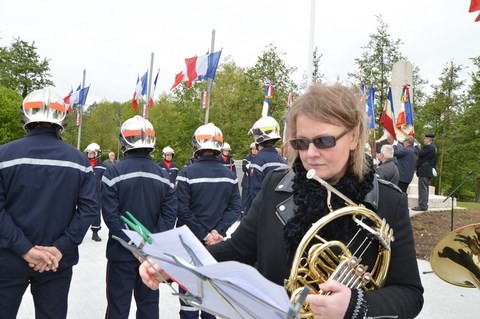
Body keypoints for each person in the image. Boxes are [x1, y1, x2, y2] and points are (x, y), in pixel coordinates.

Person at [139, 83, 424, 319]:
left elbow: (410, 295)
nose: (310, 153)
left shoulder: (387, 201)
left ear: (352, 137)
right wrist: (175, 265)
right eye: (301, 143)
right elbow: (236, 250)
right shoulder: (276, 186)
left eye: (324, 141)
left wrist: (356, 306)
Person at [0, 87, 98, 318]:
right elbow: (89, 209)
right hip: (56, 261)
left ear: (26, 116)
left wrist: (24, 249)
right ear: (61, 118)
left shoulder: (4, 155)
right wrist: (59, 248)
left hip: (9, 259)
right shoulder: (79, 161)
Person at [102, 115, 177, 319]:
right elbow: (169, 216)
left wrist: (134, 245)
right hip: (152, 256)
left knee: (118, 307)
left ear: (124, 141)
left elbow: (111, 216)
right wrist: (148, 246)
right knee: (149, 307)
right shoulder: (164, 176)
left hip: (121, 253)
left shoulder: (112, 173)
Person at [175, 123, 242, 319]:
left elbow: (182, 209)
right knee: (211, 296)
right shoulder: (229, 175)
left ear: (196, 145)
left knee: (188, 295)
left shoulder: (186, 173)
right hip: (217, 245)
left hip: (188, 242)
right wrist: (217, 232)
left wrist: (204, 233)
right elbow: (235, 208)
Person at [244, 116, 288, 215]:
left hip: (261, 214)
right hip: (279, 212)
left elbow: (255, 194)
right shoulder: (282, 161)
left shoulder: (257, 161)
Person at [84, 142, 107, 242]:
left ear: (97, 153)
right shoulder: (84, 164)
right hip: (84, 193)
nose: (89, 155)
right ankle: (80, 233)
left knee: (96, 214)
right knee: (82, 212)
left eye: (91, 153)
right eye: (88, 153)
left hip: (97, 194)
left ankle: (95, 232)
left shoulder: (102, 167)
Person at [412, 133, 437, 211]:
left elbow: (420, 153)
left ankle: (422, 205)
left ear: (429, 139)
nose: (424, 140)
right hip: (427, 170)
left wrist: (416, 146)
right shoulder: (433, 147)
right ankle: (423, 204)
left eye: (425, 139)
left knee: (423, 189)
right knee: (424, 188)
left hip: (424, 170)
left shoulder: (429, 147)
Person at [241, 142, 258, 214]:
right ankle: (242, 214)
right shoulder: (246, 158)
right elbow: (244, 168)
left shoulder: (260, 158)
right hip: (246, 183)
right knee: (244, 200)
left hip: (255, 183)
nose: (254, 150)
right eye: (253, 149)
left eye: (255, 149)